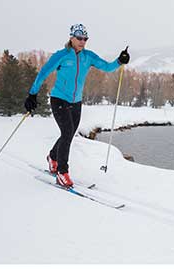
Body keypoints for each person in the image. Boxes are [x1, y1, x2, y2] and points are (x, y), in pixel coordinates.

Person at [24, 23, 130, 187]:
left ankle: (53, 157)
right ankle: (62, 171)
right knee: (66, 132)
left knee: (70, 133)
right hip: (59, 99)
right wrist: (32, 93)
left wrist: (119, 61)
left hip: (76, 102)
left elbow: (107, 67)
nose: (82, 41)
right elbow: (44, 72)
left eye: (85, 39)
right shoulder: (62, 55)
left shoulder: (88, 56)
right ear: (71, 38)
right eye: (79, 38)